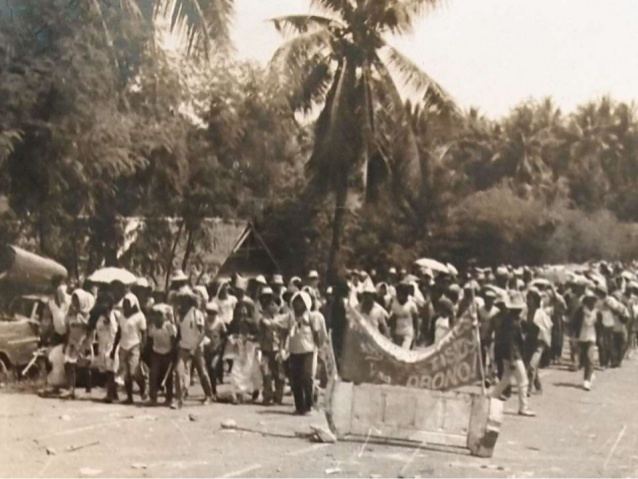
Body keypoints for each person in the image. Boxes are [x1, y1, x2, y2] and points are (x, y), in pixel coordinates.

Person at [490, 292, 535, 417]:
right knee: (523, 381)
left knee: (505, 379)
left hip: (509, 354)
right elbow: (511, 343)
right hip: (513, 355)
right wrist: (511, 360)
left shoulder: (510, 320)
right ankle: (523, 407)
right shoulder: (512, 323)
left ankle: (491, 398)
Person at [283, 291, 325, 415]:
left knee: (307, 378)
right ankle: (299, 406)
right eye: (296, 301)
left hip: (308, 351)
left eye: (301, 302)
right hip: (294, 351)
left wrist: (320, 349)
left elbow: (318, 335)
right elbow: (283, 329)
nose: (298, 304)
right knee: (295, 379)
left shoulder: (312, 317)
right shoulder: (290, 317)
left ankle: (308, 405)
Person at [175, 288, 215, 407]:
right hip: (184, 346)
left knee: (202, 372)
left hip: (197, 347)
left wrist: (195, 346)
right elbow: (180, 331)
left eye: (184, 300)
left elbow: (202, 333)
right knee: (178, 372)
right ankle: (179, 399)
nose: (182, 302)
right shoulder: (179, 314)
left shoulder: (196, 314)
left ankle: (209, 395)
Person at [61, 289, 95, 399]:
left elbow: (90, 332)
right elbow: (67, 330)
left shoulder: (87, 316)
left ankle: (88, 388)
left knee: (85, 366)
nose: (75, 302)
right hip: (72, 343)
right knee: (69, 364)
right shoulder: (70, 314)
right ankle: (71, 389)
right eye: (74, 299)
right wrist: (66, 343)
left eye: (77, 300)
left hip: (83, 343)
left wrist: (86, 344)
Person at [114, 293, 147, 404]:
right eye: (124, 303)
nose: (125, 305)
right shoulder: (121, 316)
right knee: (126, 373)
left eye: (128, 303)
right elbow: (119, 332)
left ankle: (143, 387)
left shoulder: (139, 316)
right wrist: (115, 347)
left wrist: (143, 346)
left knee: (133, 371)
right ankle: (129, 397)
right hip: (123, 345)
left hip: (134, 345)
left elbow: (144, 332)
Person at [256, 287, 287, 405]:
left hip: (277, 349)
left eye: (274, 304)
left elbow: (283, 335)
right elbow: (264, 328)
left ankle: (278, 396)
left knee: (279, 375)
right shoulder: (263, 318)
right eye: (270, 304)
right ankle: (267, 395)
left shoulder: (281, 318)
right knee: (266, 373)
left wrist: (282, 348)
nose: (272, 306)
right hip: (266, 349)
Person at [147, 304, 177, 407]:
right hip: (156, 353)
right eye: (155, 315)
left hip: (168, 353)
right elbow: (150, 341)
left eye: (159, 315)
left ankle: (169, 398)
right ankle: (153, 398)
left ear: (164, 316)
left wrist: (173, 355)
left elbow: (174, 341)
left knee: (168, 377)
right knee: (153, 375)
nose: (157, 317)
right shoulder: (152, 326)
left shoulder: (169, 326)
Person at [92, 293, 119, 403]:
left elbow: (116, 332)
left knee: (110, 370)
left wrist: (113, 349)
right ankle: (114, 393)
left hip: (110, 345)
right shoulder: (100, 316)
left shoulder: (114, 315)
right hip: (102, 344)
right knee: (107, 370)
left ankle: (110, 394)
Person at [524, 288, 552, 396]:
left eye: (530, 299)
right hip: (529, 341)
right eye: (527, 299)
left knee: (531, 365)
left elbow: (548, 327)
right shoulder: (526, 312)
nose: (527, 301)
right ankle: (538, 386)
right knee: (530, 366)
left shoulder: (541, 313)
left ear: (535, 301)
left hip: (539, 343)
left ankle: (528, 389)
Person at [573, 289, 599, 390]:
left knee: (589, 357)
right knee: (583, 359)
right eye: (589, 301)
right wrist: (574, 336)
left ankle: (587, 380)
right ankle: (591, 373)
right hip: (581, 337)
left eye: (593, 301)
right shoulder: (580, 311)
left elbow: (600, 327)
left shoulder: (597, 313)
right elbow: (575, 324)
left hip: (592, 337)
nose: (591, 303)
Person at [203, 301, 226, 400]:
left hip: (217, 349)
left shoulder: (220, 322)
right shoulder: (204, 321)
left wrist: (220, 346)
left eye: (213, 313)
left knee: (213, 368)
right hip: (206, 349)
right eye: (209, 312)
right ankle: (211, 391)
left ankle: (214, 390)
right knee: (207, 371)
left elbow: (224, 336)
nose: (211, 315)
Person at [388, 282, 418, 349]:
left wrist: (416, 333)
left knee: (404, 351)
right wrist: (391, 332)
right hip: (397, 332)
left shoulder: (411, 304)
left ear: (406, 294)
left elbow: (415, 319)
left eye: (401, 293)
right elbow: (393, 318)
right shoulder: (394, 303)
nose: (399, 295)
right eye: (398, 293)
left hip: (408, 333)